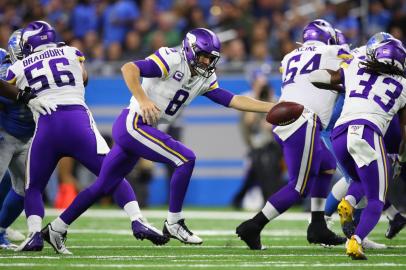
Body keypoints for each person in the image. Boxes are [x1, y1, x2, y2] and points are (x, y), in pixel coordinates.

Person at [45, 27, 275, 253]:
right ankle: (174, 222)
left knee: (103, 185)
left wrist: (272, 108)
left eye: (210, 58)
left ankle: (56, 228)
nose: (206, 62)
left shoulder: (204, 77)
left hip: (141, 128)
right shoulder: (172, 59)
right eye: (203, 56)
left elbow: (232, 100)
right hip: (133, 123)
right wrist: (143, 99)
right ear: (190, 50)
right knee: (186, 158)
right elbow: (129, 68)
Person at [11, 21, 167, 254]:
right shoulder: (72, 51)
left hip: (47, 125)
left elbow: (9, 87)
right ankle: (137, 219)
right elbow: (83, 78)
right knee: (112, 173)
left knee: (33, 186)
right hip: (77, 122)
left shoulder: (19, 66)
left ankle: (34, 234)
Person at [236, 19, 348, 250]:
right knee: (299, 187)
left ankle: (317, 225)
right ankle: (253, 226)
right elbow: (352, 68)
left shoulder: (289, 57)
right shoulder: (332, 50)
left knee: (326, 164)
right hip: (305, 121)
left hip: (287, 118)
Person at [309, 37, 406, 259]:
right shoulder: (403, 86)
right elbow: (403, 132)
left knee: (359, 181)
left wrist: (342, 82)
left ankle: (348, 202)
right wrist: (402, 157)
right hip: (368, 132)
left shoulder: (356, 65)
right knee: (376, 198)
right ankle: (355, 241)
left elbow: (317, 77)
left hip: (340, 134)